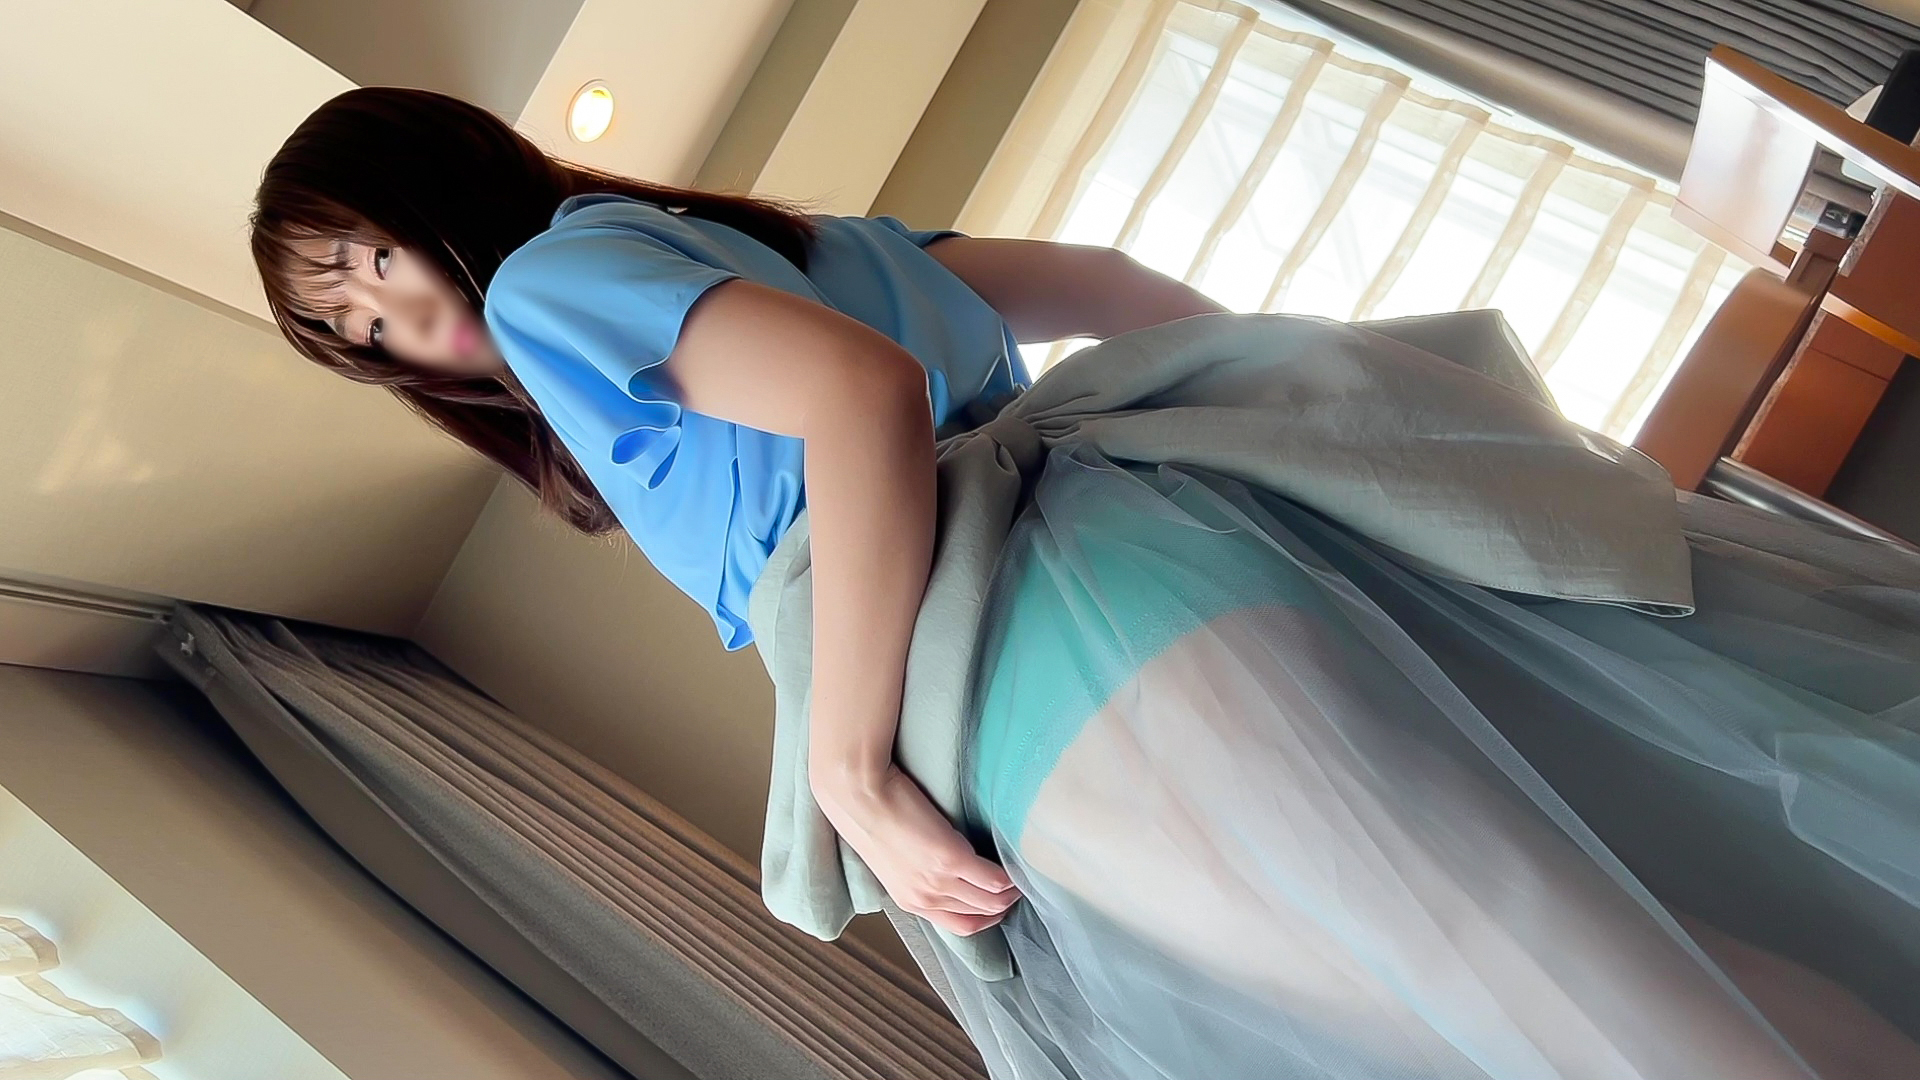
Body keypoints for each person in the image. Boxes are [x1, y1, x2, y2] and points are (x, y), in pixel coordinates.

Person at [253, 88, 1920, 1079]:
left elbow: (861, 402)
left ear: (431, 180)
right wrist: (1229, 445)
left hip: (1047, 660)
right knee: (1590, 969)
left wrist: (849, 772)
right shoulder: (788, 239)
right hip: (1136, 574)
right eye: (354, 332)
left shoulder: (549, 286)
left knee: (1545, 1006)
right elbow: (1113, 287)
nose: (398, 328)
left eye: (369, 266)